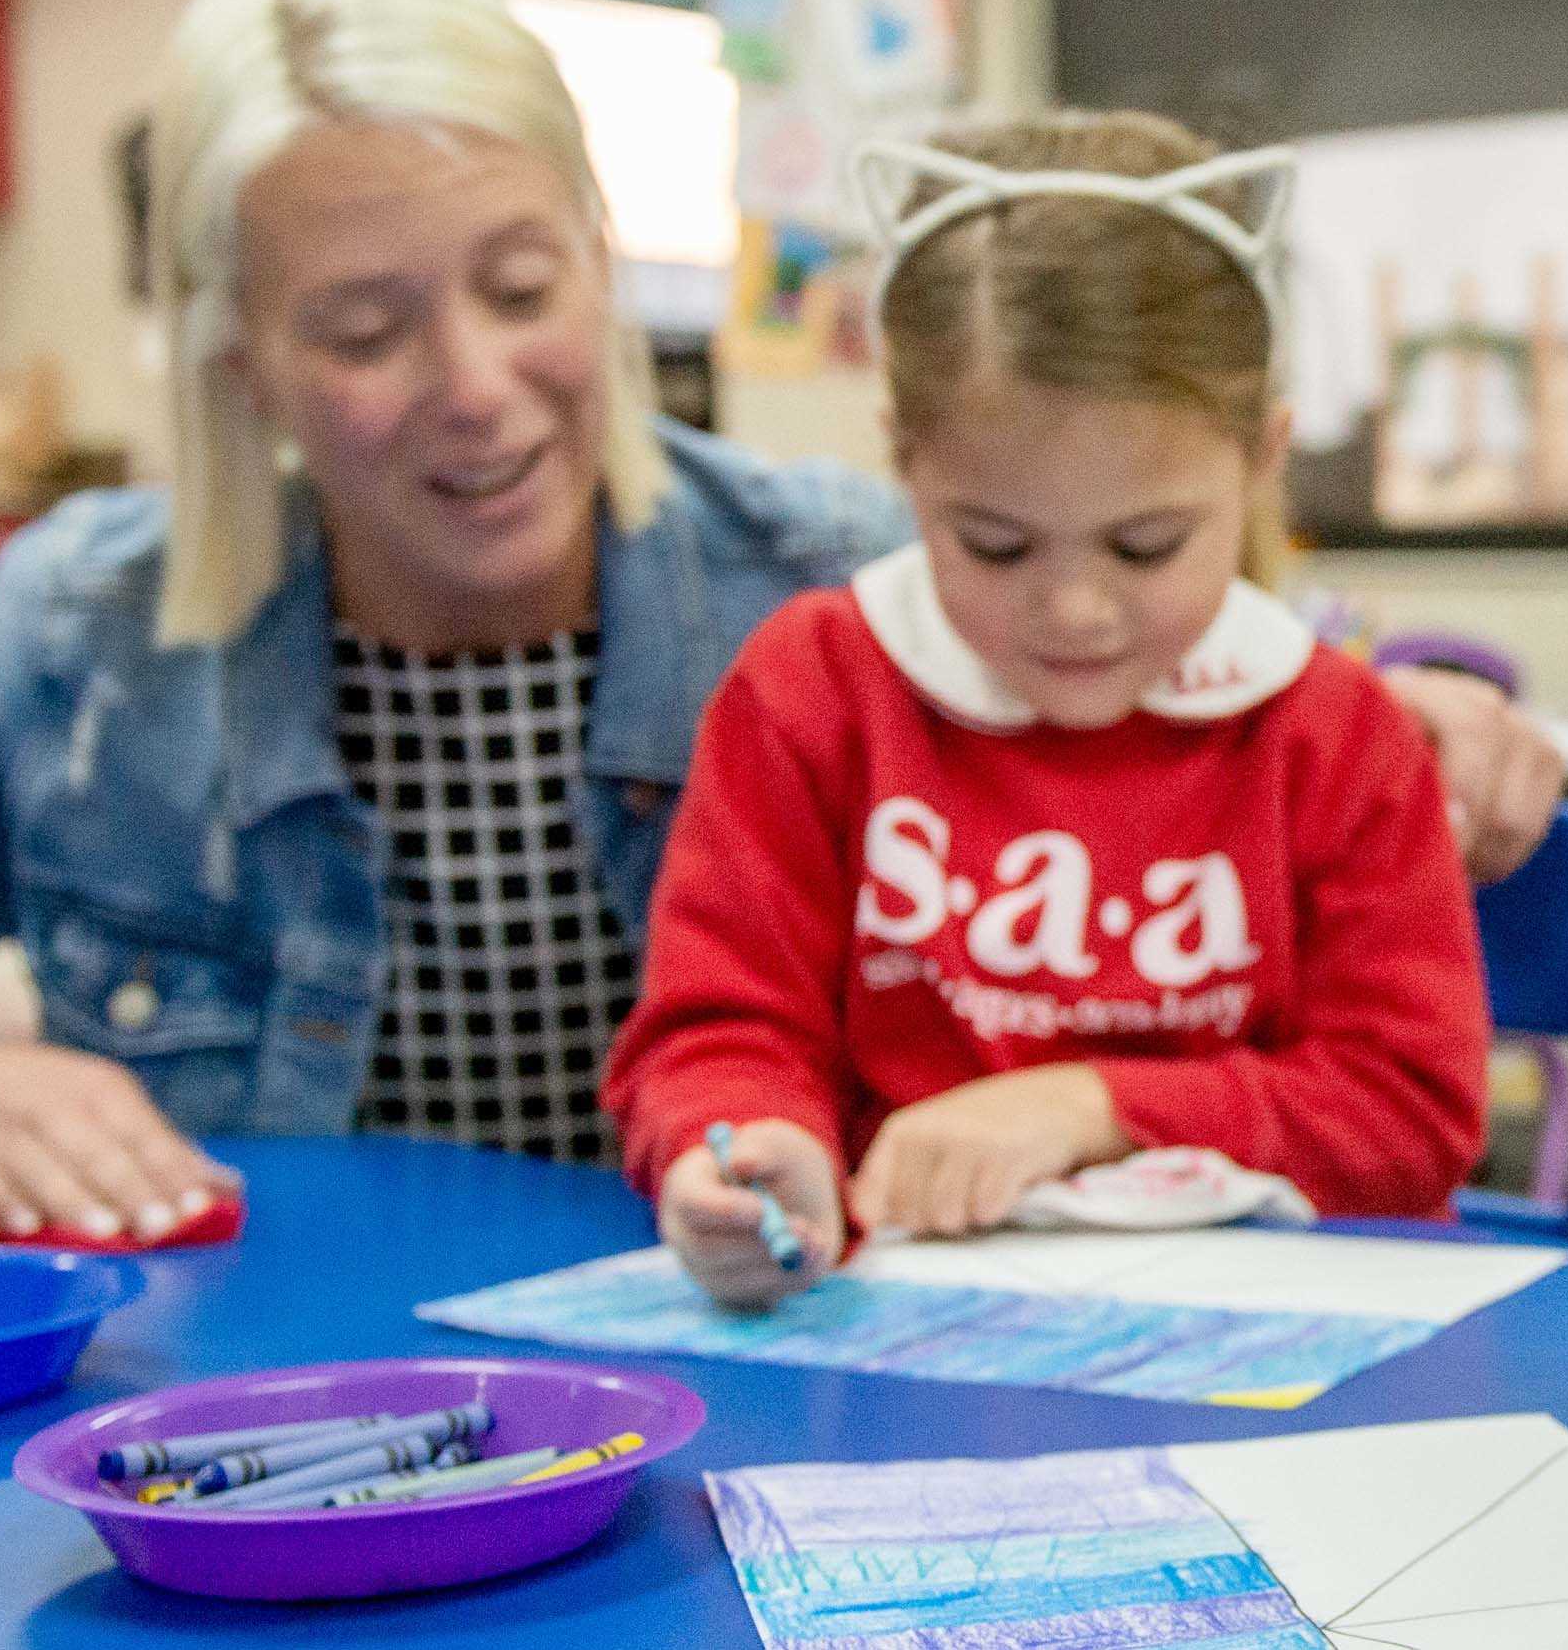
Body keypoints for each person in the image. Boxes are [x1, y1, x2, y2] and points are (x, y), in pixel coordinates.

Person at [0, 0, 1564, 1243]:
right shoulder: (79, 650)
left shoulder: (851, 582)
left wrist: (1434, 693)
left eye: (522, 286)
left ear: (606, 256)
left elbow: (1170, 645)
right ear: (235, 357)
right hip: (250, 1420)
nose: (476, 390)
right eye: (360, 325)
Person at [620, 114, 1490, 1306]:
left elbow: (1407, 1111)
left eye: (1145, 545)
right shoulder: (813, 688)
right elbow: (720, 1030)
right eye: (994, 542)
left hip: (1282, 1333)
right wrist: (745, 1146)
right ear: (904, 463)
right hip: (906, 1330)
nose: (1075, 608)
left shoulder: (1334, 733)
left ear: (1259, 460)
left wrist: (1090, 1106)